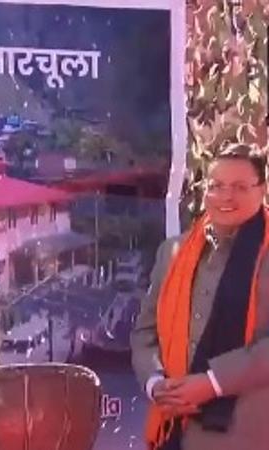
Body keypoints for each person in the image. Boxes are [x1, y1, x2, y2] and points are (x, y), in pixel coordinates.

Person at [131, 144, 269, 450]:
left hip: (249, 434)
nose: (225, 196)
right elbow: (145, 332)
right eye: (216, 186)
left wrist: (213, 382)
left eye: (239, 187)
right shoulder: (174, 252)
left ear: (262, 190)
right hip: (173, 428)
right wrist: (156, 385)